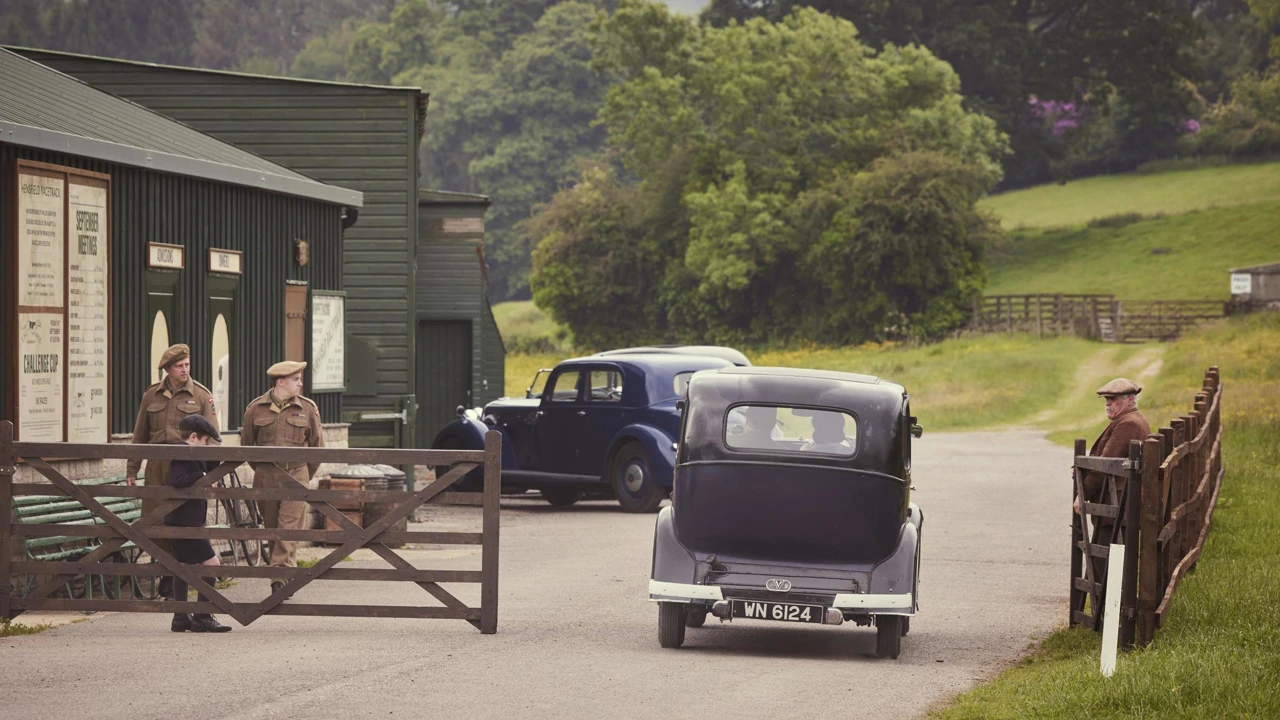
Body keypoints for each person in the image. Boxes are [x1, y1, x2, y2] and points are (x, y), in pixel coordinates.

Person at [126, 344, 218, 601]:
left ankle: (174, 580)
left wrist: (210, 476)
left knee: (185, 523)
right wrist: (133, 467)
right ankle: (170, 572)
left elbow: (211, 438)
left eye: (187, 365)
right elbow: (140, 434)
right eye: (180, 366)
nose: (185, 370)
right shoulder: (151, 395)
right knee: (155, 524)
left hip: (187, 467)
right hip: (157, 468)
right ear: (167, 369)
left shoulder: (201, 395)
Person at [241, 361, 325, 594]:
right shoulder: (255, 408)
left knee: (288, 528)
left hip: (296, 474)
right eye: (295, 379)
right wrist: (263, 470)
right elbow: (247, 445)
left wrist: (304, 475)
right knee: (273, 529)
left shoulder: (308, 408)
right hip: (266, 477)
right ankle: (286, 576)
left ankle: (277, 578)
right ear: (280, 382)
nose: (300, 383)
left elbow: (318, 448)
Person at [166, 414, 232, 633]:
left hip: (186, 520)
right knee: (212, 565)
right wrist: (201, 475)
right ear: (193, 437)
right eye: (206, 441)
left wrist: (212, 457)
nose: (207, 446)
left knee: (182, 568)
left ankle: (180, 617)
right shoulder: (181, 452)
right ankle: (202, 616)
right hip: (184, 522)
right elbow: (177, 480)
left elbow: (210, 466)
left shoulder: (193, 451)